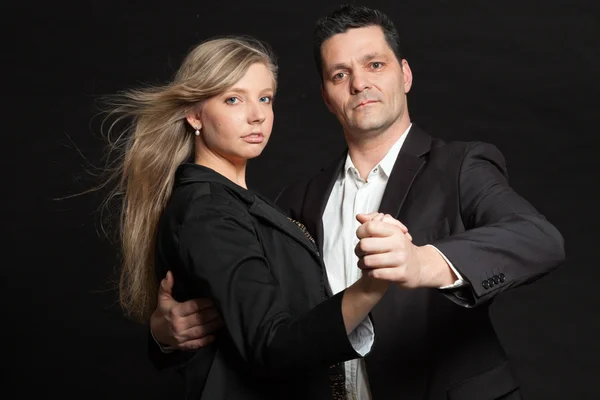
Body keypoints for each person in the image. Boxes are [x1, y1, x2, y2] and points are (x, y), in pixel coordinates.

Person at [149, 5, 565, 400]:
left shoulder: (460, 165)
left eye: (375, 65)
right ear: (327, 96)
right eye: (339, 74)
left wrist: (425, 263)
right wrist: (164, 337)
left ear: (405, 75)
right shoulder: (293, 201)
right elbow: (262, 325)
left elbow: (539, 239)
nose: (359, 83)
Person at [105, 35, 404, 400]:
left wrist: (162, 337)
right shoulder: (208, 209)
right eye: (233, 99)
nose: (257, 114)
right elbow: (271, 345)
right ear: (195, 114)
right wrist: (371, 285)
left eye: (265, 98)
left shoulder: (240, 203)